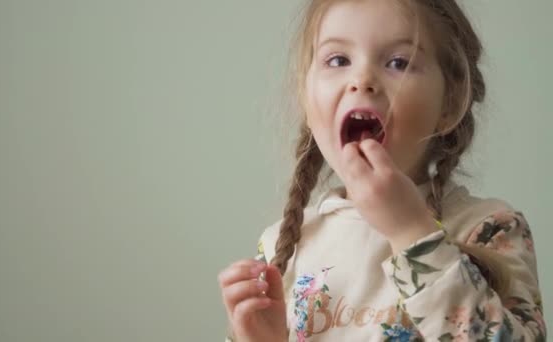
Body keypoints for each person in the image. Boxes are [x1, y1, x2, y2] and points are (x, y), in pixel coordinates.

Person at [217, 0, 546, 341]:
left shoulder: (491, 228)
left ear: (449, 102)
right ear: (307, 97)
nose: (362, 80)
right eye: (338, 60)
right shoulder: (282, 248)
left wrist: (409, 231)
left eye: (398, 62)